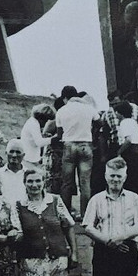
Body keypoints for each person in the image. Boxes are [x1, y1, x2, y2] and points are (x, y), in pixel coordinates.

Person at [17, 168, 76, 276]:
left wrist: (74, 253)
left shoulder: (55, 201)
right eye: (30, 181)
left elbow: (69, 226)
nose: (34, 185)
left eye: (38, 181)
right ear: (24, 183)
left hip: (57, 260)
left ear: (44, 182)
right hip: (32, 261)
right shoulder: (19, 205)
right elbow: (17, 231)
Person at [56, 85, 100, 218]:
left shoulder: (61, 111)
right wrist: (93, 135)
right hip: (86, 145)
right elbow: (100, 123)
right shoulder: (88, 108)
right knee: (85, 182)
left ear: (64, 98)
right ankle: (85, 214)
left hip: (69, 146)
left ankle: (65, 213)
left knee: (67, 182)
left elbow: (59, 134)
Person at [20, 104, 57, 173]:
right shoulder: (34, 124)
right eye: (46, 120)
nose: (46, 123)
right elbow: (39, 142)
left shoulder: (32, 121)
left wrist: (44, 136)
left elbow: (34, 139)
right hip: (28, 159)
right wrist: (53, 139)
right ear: (41, 117)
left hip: (30, 157)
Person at [0, 139, 27, 206]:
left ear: (23, 155)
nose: (14, 155)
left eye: (18, 152)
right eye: (11, 151)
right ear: (6, 153)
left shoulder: (29, 175)